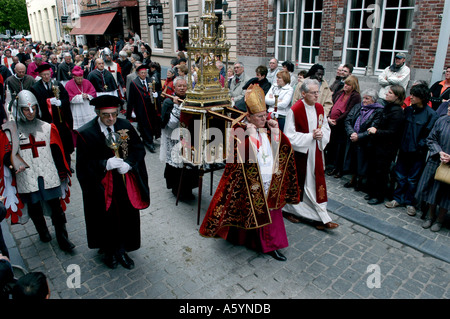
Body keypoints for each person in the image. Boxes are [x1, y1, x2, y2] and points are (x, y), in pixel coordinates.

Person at [199, 84, 300, 261]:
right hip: (249, 182)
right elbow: (236, 159)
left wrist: (276, 132)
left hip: (269, 179)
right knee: (247, 212)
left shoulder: (268, 127)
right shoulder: (239, 129)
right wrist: (251, 138)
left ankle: (271, 245)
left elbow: (281, 151)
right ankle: (249, 240)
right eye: (260, 116)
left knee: (271, 212)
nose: (264, 118)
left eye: (265, 115)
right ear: (250, 117)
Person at [76, 95, 150, 269]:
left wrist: (129, 164)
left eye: (114, 114)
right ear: (97, 113)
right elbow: (83, 165)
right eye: (106, 115)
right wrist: (104, 164)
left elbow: (138, 150)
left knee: (125, 216)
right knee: (105, 219)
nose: (111, 119)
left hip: (124, 183)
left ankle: (122, 250)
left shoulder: (125, 126)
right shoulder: (86, 133)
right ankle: (109, 251)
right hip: (101, 186)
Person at [3, 90, 74, 252]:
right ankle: (43, 232)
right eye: (26, 109)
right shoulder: (12, 132)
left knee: (56, 209)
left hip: (48, 174)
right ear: (19, 110)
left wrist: (63, 171)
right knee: (34, 207)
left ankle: (63, 238)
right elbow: (6, 156)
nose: (30, 112)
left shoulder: (48, 127)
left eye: (33, 108)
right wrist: (13, 162)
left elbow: (58, 152)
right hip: (27, 176)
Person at [282, 79, 338, 230]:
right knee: (300, 183)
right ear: (304, 93)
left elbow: (326, 128)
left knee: (314, 183)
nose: (317, 95)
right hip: (301, 153)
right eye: (313, 93)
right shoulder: (295, 110)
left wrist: (321, 135)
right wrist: (309, 137)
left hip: (316, 152)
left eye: (317, 92)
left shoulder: (320, 108)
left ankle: (320, 215)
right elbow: (288, 136)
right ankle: (289, 210)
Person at [385, 84, 438, 216]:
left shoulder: (431, 114)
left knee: (413, 179)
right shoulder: (408, 110)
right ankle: (397, 198)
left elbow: (428, 135)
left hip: (418, 153)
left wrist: (419, 147)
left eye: (414, 95)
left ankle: (410, 202)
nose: (411, 97)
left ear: (422, 97)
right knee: (400, 175)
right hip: (404, 150)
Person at [365, 85, 406, 205]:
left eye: (390, 93)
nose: (387, 94)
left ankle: (379, 195)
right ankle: (372, 192)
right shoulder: (388, 108)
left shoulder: (397, 112)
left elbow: (393, 132)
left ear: (397, 97)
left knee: (381, 172)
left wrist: (376, 131)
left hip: (386, 148)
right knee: (374, 169)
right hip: (378, 145)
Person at [160, 77, 198, 200]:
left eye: (184, 86)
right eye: (179, 86)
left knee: (188, 165)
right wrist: (176, 107)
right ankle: (177, 190)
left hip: (187, 137)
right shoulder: (168, 102)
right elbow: (170, 124)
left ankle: (187, 190)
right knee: (176, 166)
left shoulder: (190, 99)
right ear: (175, 88)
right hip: (174, 137)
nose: (182, 88)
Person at [30, 64, 74, 170]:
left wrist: (61, 102)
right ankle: (55, 164)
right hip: (47, 120)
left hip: (60, 120)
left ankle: (67, 164)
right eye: (44, 75)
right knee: (52, 143)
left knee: (64, 141)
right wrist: (48, 102)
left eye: (48, 74)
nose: (46, 76)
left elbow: (66, 98)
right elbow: (36, 103)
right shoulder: (35, 88)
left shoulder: (57, 84)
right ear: (40, 75)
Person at [416, 104, 450, 232]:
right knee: (432, 190)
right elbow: (431, 138)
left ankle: (440, 220)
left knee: (446, 194)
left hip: (449, 167)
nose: (449, 108)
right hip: (436, 161)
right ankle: (430, 216)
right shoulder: (442, 120)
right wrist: (439, 152)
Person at [342, 89, 384, 191]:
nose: (364, 100)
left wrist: (359, 136)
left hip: (365, 141)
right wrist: (352, 133)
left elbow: (374, 127)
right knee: (352, 160)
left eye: (367, 98)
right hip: (353, 137)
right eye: (364, 98)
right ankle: (352, 179)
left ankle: (360, 181)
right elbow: (348, 119)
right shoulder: (358, 106)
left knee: (362, 162)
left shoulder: (378, 111)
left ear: (373, 100)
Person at [326, 75, 361, 178]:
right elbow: (331, 103)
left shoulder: (355, 96)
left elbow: (349, 111)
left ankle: (339, 169)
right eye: (345, 84)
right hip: (332, 122)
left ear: (353, 86)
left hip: (342, 125)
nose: (345, 86)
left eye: (348, 85)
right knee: (332, 145)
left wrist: (337, 120)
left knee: (340, 149)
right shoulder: (340, 92)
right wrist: (328, 117)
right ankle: (332, 166)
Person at [126, 65, 160, 153]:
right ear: (138, 73)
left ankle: (148, 139)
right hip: (141, 108)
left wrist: (157, 95)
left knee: (151, 124)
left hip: (151, 108)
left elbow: (157, 91)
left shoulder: (150, 81)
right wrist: (129, 113)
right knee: (144, 125)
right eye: (142, 73)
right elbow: (131, 98)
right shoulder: (134, 83)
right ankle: (149, 142)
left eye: (145, 72)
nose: (144, 74)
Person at [64, 65, 97, 131]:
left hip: (87, 107)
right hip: (77, 108)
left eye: (81, 78)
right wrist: (80, 97)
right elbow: (69, 98)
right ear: (74, 77)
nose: (80, 80)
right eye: (78, 79)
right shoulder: (69, 84)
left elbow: (93, 93)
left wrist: (87, 96)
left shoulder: (87, 82)